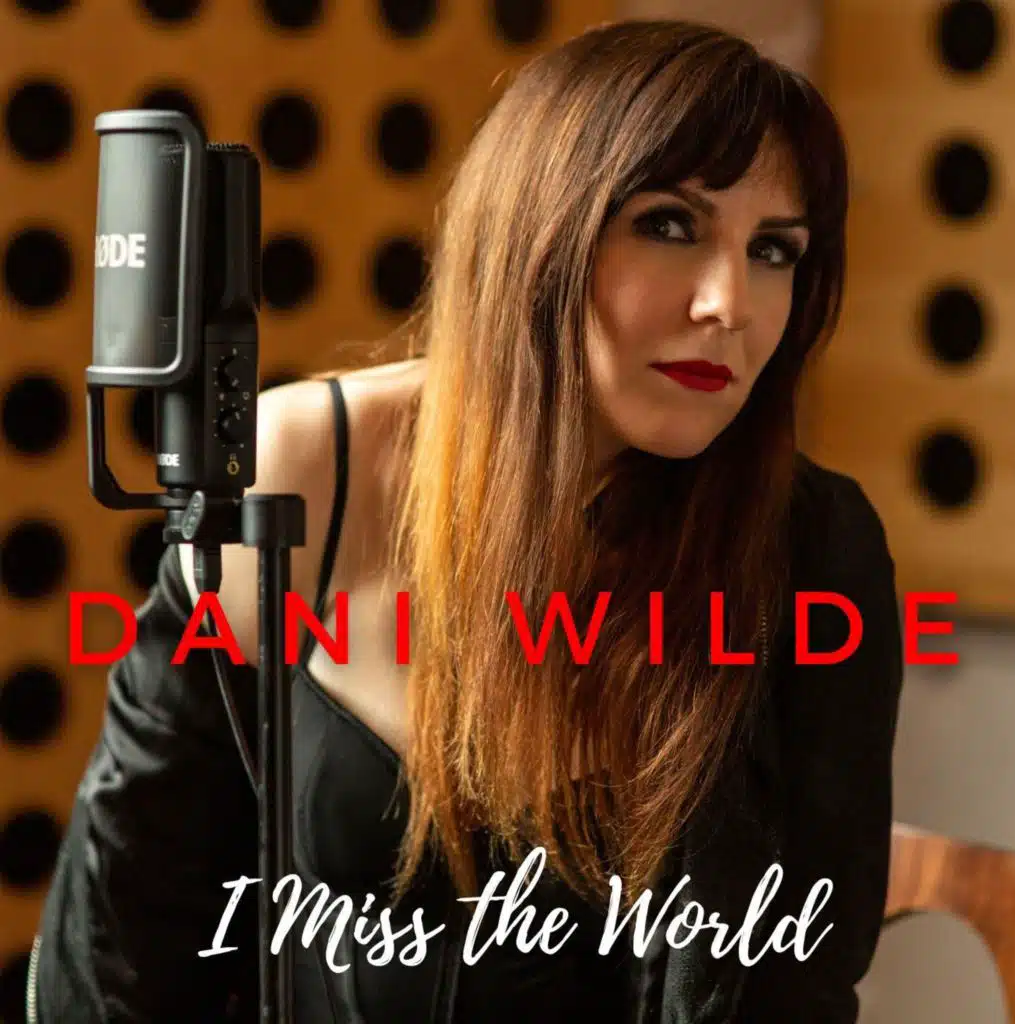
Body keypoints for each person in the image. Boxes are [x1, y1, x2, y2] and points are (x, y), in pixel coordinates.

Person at [31, 17, 905, 1023]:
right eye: (670, 225)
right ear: (538, 230)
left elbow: (793, 978)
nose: (730, 302)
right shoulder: (299, 476)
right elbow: (119, 949)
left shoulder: (812, 549)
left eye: (774, 250)